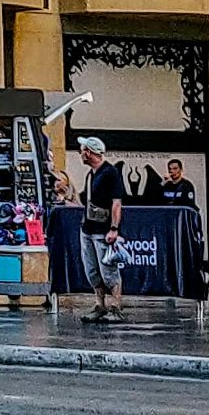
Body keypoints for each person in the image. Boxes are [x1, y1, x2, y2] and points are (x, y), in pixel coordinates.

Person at [76, 136, 125, 324]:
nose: (81, 154)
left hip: (102, 230)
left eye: (83, 150)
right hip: (88, 228)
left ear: (89, 152)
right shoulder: (91, 174)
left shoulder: (111, 173)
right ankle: (100, 305)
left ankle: (116, 306)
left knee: (108, 270)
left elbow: (116, 204)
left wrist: (114, 228)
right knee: (92, 270)